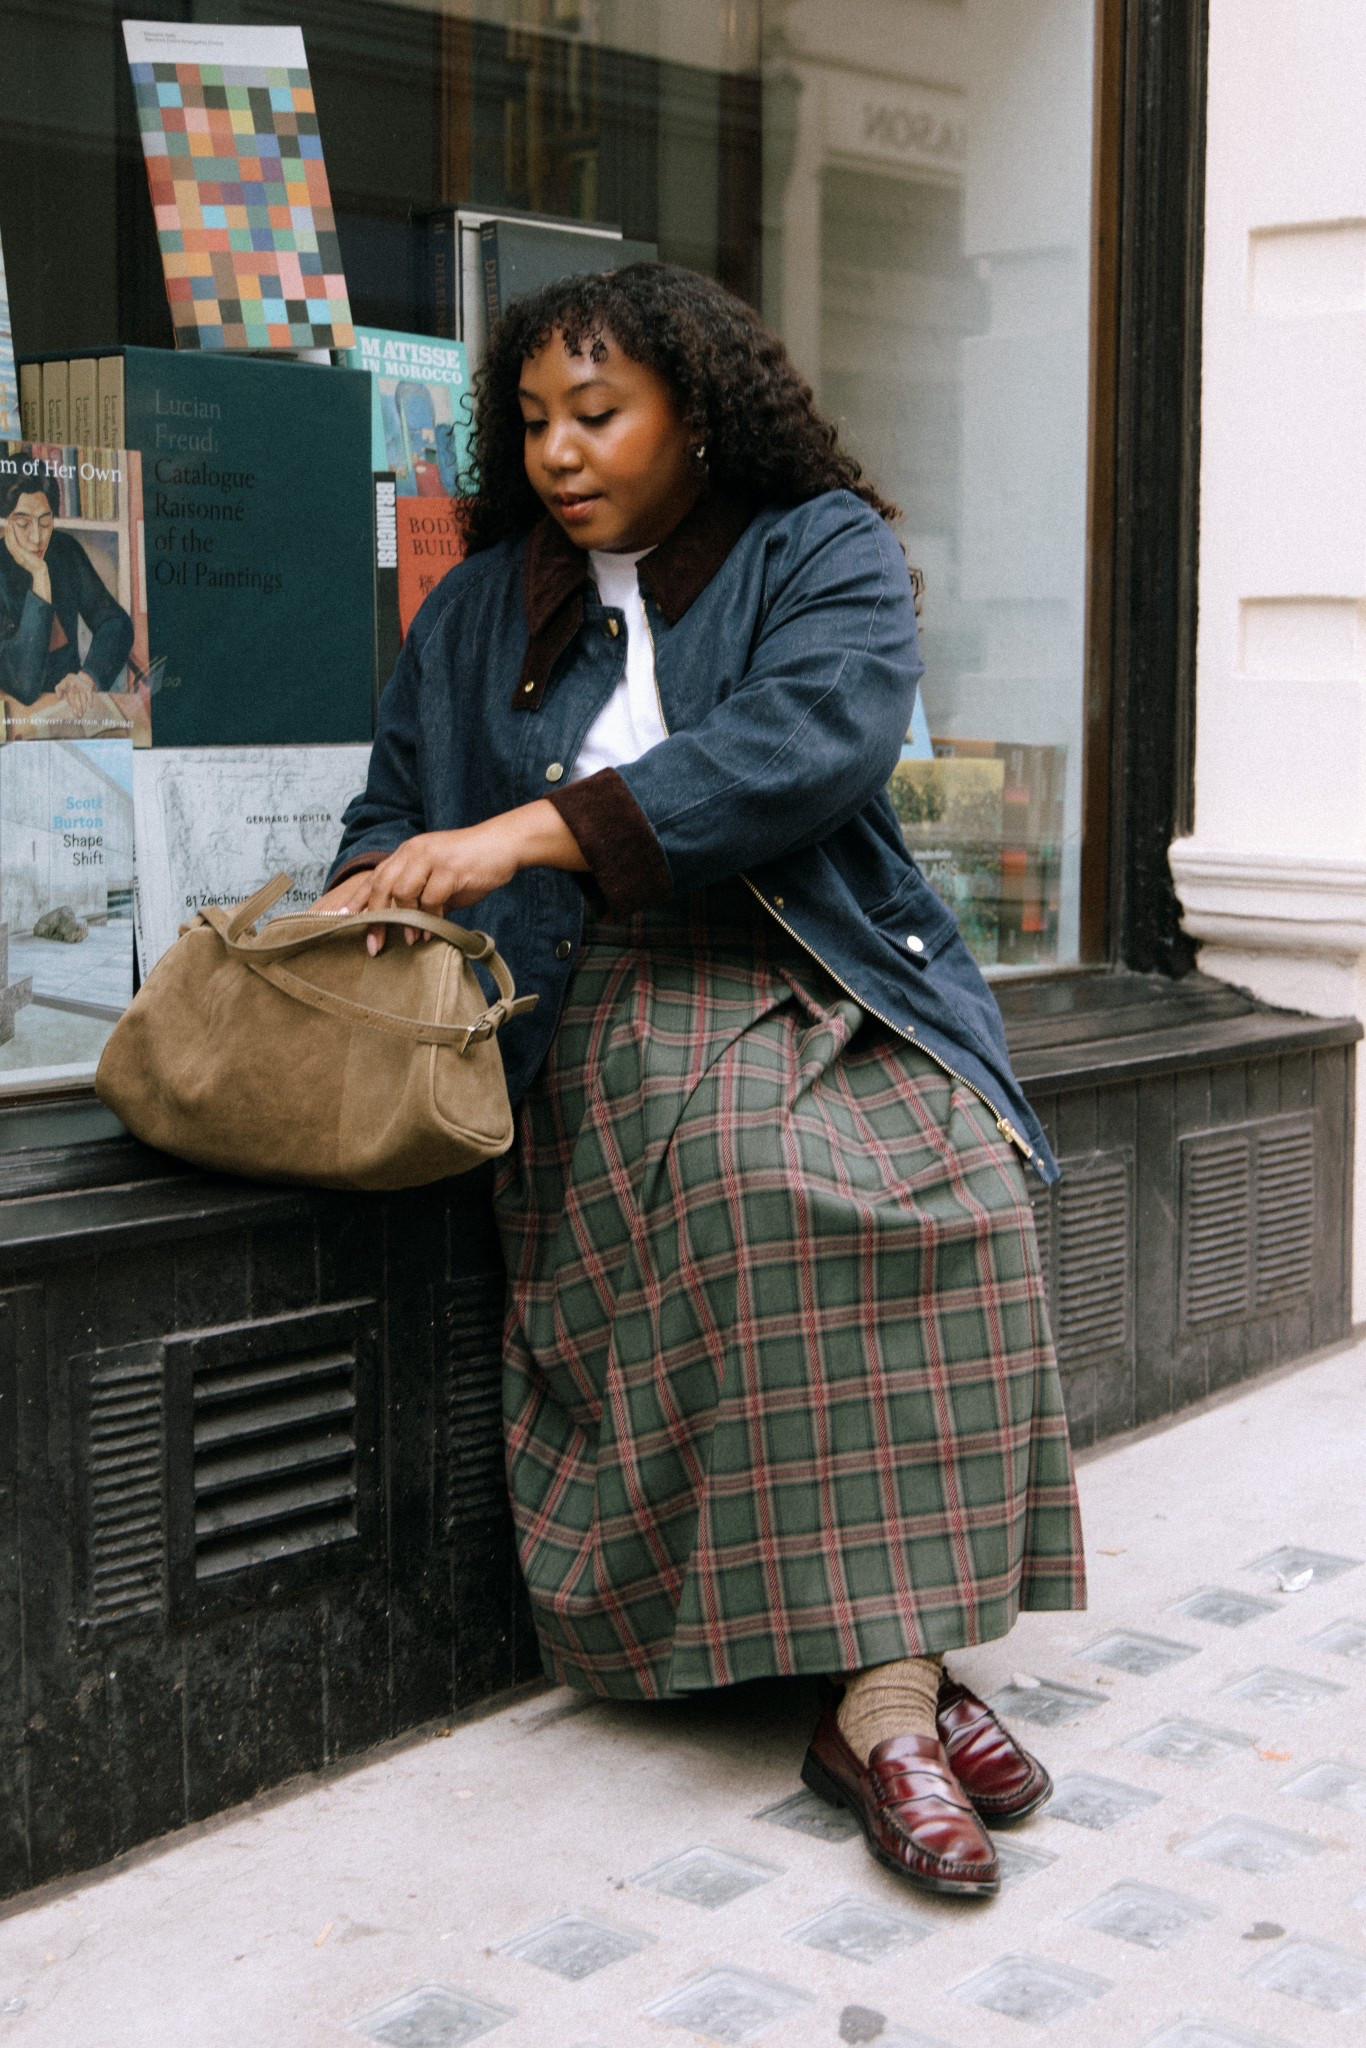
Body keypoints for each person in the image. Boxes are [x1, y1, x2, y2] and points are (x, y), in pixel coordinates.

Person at [319, 263, 1085, 1901]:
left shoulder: (823, 549)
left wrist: (524, 828)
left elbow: (816, 735)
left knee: (958, 1169)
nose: (559, 452)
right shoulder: (479, 604)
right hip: (604, 985)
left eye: (598, 412)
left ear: (699, 410)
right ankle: (899, 1699)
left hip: (832, 962)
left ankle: (876, 1691)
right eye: (532, 421)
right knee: (761, 1180)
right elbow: (391, 807)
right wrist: (370, 888)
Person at [0, 473, 135, 721]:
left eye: (45, 522)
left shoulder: (64, 550)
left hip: (71, 706)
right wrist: (40, 576)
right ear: (5, 522)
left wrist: (88, 677)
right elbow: (24, 686)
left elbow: (115, 621)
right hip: (19, 712)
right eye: (23, 524)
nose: (36, 538)